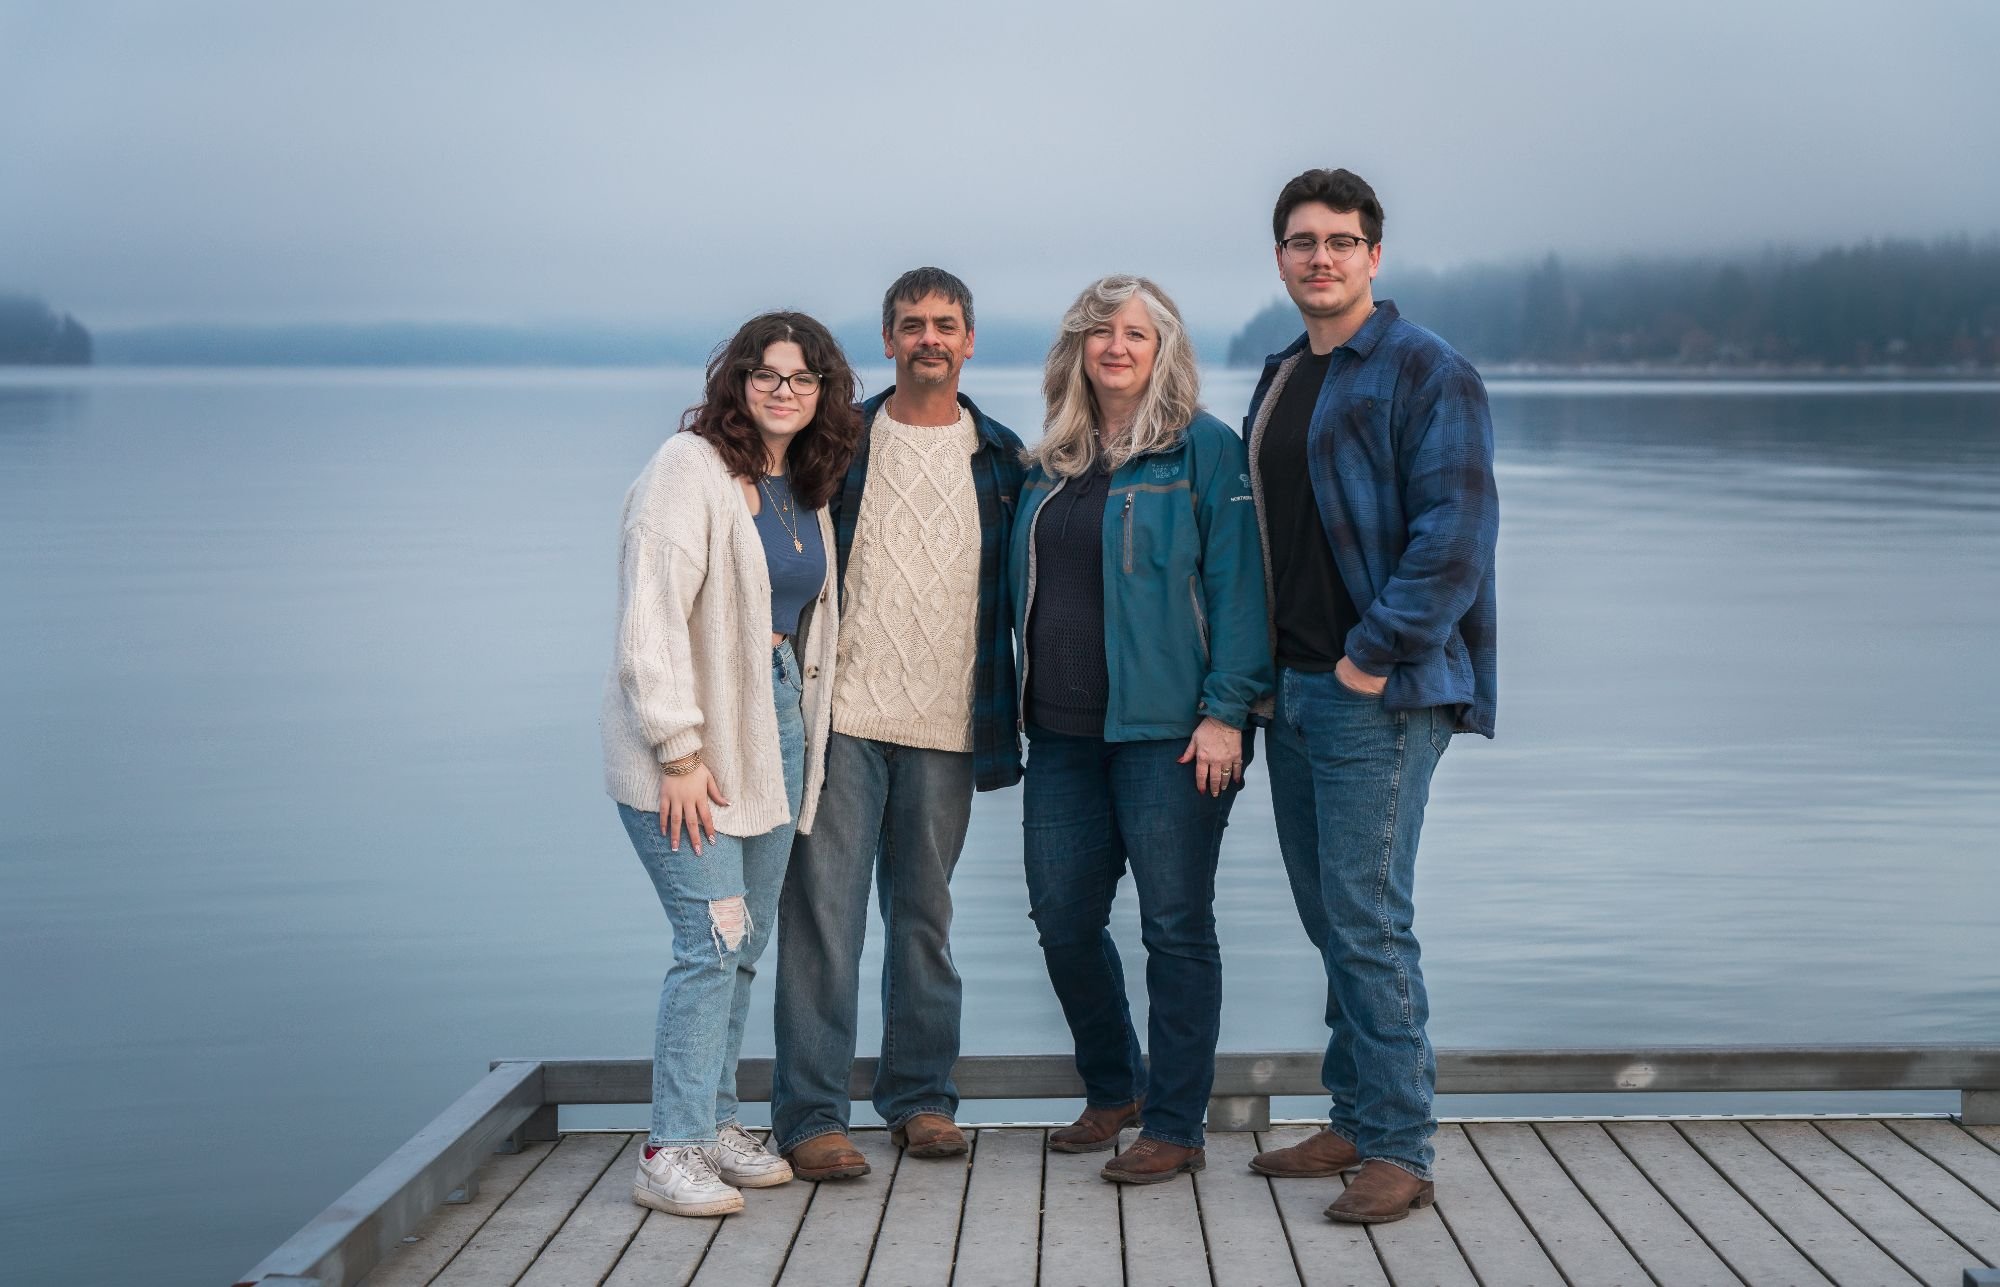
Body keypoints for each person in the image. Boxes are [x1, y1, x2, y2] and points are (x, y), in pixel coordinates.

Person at [1242, 168, 1499, 1223]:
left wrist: (1371, 655)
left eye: (1340, 241)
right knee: (1330, 918)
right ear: (1280, 258)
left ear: (1373, 255)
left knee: (1368, 919)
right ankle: (1352, 1114)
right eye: (1302, 241)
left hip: (1377, 693)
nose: (1321, 258)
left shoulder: (1426, 369)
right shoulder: (1280, 373)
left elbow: (1455, 538)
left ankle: (1399, 1145)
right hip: (1292, 691)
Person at [1006, 274, 1271, 1185]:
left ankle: (1175, 1123)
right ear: (1076, 348)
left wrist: (1227, 711)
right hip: (1061, 736)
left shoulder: (1204, 450)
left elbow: (1241, 590)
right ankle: (1114, 1085)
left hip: (1174, 737)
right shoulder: (1052, 460)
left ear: (1164, 351)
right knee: (1061, 918)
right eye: (1100, 331)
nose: (1115, 346)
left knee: (1176, 927)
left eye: (1135, 333)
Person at [602, 312, 862, 1217]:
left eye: (802, 377)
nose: (784, 391)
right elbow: (648, 622)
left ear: (823, 392)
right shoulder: (688, 469)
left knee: (745, 939)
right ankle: (668, 1146)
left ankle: (713, 1122)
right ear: (737, 382)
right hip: (688, 745)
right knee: (710, 936)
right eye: (766, 374)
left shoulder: (804, 484)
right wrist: (678, 751)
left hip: (773, 731)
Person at [770, 268, 1027, 1180]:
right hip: (842, 719)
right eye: (912, 324)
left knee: (924, 920)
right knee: (823, 921)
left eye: (945, 324)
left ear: (969, 340)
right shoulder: (838, 442)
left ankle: (921, 1099)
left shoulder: (1004, 458)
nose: (929, 339)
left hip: (951, 725)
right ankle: (812, 1115)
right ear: (887, 339)